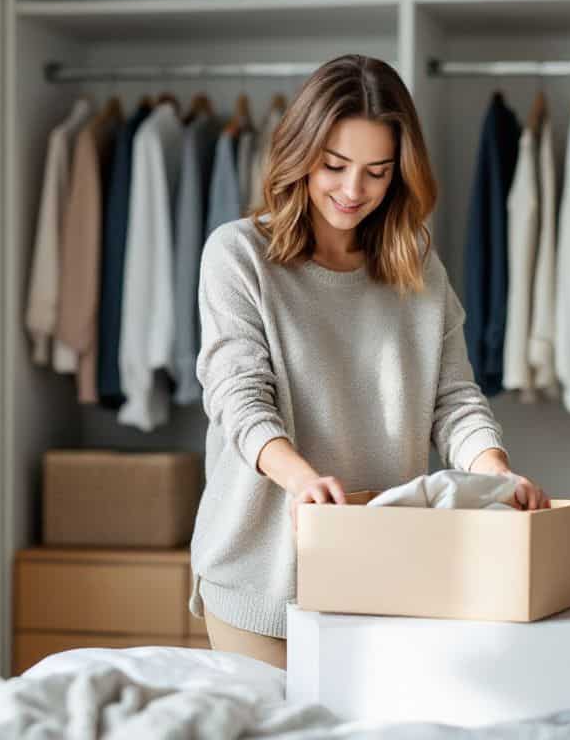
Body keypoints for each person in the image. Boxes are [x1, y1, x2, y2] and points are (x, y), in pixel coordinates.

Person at [188, 54, 543, 670]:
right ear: (300, 155)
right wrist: (301, 479)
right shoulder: (238, 255)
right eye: (334, 166)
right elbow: (238, 395)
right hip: (260, 577)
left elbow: (454, 398)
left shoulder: (417, 267)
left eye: (376, 172)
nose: (353, 191)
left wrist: (495, 476)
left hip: (381, 572)